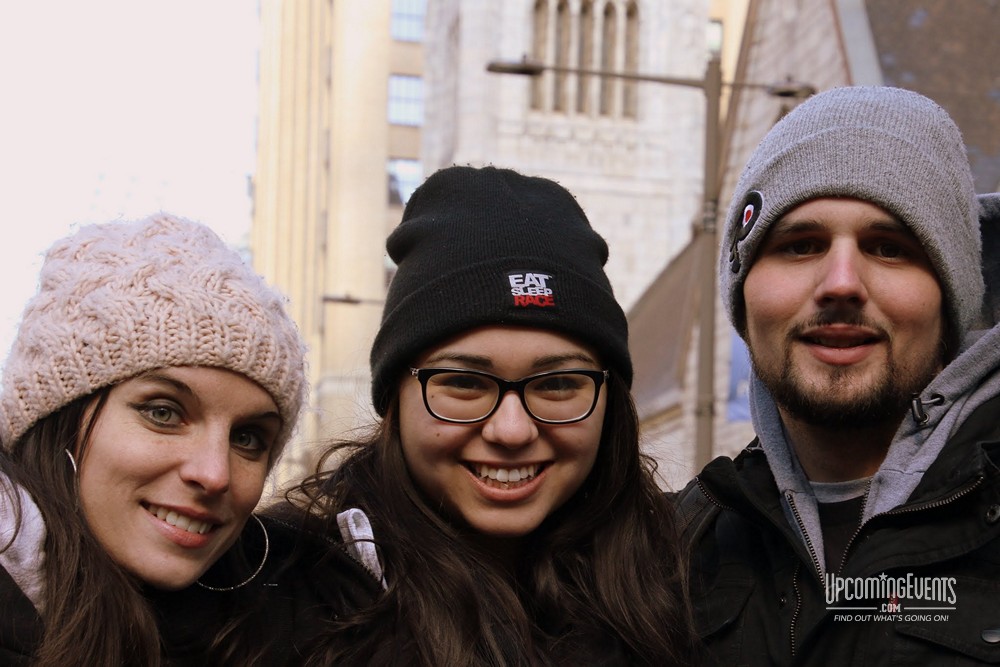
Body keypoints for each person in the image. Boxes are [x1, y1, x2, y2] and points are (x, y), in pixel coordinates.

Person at [279, 165, 699, 666]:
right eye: (464, 383)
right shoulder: (273, 598)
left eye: (558, 384)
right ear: (396, 395)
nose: (512, 430)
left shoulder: (692, 582)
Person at [681, 85, 1000, 665]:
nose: (841, 283)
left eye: (890, 247)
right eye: (800, 245)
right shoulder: (667, 559)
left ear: (951, 300)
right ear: (744, 297)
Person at [0, 213, 315, 665]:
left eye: (247, 438)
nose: (214, 474)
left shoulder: (290, 627)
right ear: (57, 420)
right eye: (163, 413)